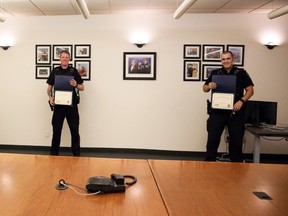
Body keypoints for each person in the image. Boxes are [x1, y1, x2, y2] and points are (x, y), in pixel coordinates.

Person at [202, 51, 254, 162]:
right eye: (223, 59)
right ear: (221, 60)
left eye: (228, 58)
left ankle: (236, 169)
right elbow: (204, 89)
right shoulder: (216, 73)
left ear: (233, 58)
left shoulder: (241, 73)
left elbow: (250, 90)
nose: (225, 61)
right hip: (217, 112)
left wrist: (241, 101)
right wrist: (209, 85)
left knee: (236, 143)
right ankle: (208, 166)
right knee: (212, 141)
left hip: (235, 113)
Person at [46, 50, 84, 156]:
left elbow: (82, 87)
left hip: (71, 107)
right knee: (56, 131)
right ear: (60, 58)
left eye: (67, 57)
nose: (65, 59)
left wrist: (76, 84)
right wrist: (50, 98)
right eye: (63, 57)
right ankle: (53, 155)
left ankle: (76, 155)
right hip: (58, 107)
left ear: (69, 59)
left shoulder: (73, 71)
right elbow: (49, 89)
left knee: (75, 131)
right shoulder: (55, 71)